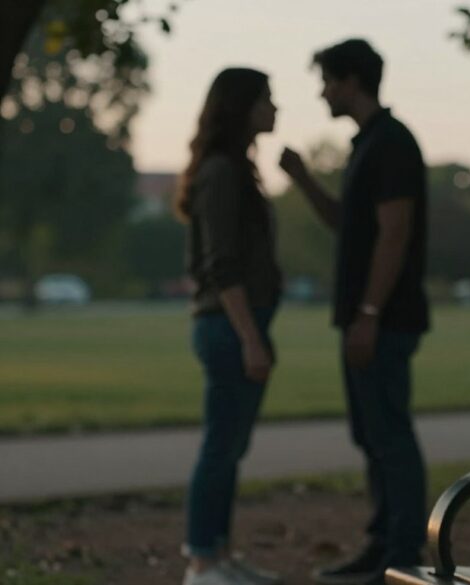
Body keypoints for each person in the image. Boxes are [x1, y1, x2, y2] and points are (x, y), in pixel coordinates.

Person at [278, 38, 430, 585]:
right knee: (371, 434)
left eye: (327, 82)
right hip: (366, 319)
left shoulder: (391, 142)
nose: (322, 93)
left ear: (350, 82)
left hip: (383, 319)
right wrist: (302, 179)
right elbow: (351, 224)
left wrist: (368, 313)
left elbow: (394, 232)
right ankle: (381, 542)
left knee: (389, 435)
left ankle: (402, 552)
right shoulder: (368, 143)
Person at [175, 67, 283, 585]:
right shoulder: (220, 172)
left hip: (240, 325)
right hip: (228, 327)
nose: (274, 108)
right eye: (266, 99)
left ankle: (219, 553)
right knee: (220, 447)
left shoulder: (236, 169)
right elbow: (222, 267)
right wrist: (250, 339)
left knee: (231, 448)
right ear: (242, 108)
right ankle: (201, 561)